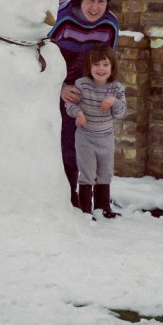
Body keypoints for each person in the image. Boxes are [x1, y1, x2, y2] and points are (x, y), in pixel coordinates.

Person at [48, 0, 120, 208]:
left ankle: (90, 201)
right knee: (64, 142)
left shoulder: (109, 25)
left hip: (86, 91)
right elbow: (39, 56)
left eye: (101, 1)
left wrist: (103, 92)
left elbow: (106, 63)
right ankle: (67, 198)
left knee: (88, 144)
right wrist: (60, 87)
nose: (94, 7)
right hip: (54, 86)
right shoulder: (60, 18)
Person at [64, 45, 126, 218]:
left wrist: (114, 102)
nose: (101, 69)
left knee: (105, 172)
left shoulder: (116, 89)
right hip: (86, 138)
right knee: (88, 172)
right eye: (96, 64)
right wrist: (78, 113)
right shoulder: (82, 85)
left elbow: (121, 113)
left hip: (106, 138)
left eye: (105, 65)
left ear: (112, 67)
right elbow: (70, 104)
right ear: (89, 67)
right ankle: (85, 208)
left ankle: (103, 207)